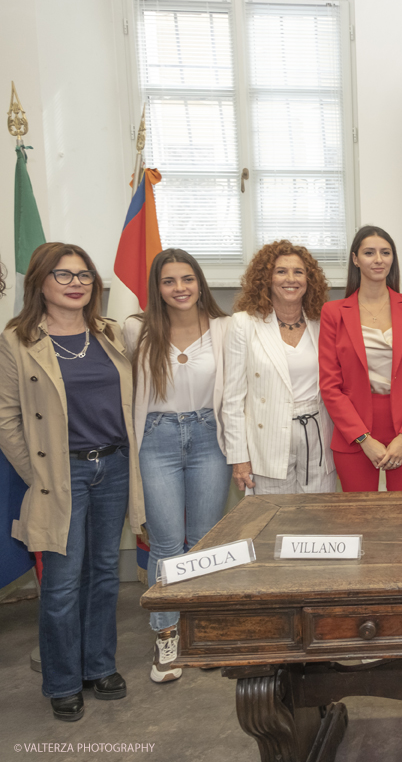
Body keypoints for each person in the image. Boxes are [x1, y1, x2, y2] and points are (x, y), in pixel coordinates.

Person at [0, 243, 143, 720]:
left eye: (84, 274)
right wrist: (37, 471)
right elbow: (6, 418)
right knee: (62, 581)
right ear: (39, 281)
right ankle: (62, 680)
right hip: (61, 472)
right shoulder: (17, 339)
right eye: (64, 275)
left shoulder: (108, 334)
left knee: (104, 573)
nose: (77, 282)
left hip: (115, 467)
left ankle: (99, 666)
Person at [123, 248, 231, 684]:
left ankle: (201, 630)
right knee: (167, 542)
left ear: (200, 282)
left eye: (187, 279)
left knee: (203, 540)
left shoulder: (224, 329)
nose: (180, 288)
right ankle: (166, 632)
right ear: (158, 288)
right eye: (169, 281)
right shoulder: (136, 330)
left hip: (209, 437)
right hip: (157, 439)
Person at [319, 226, 402, 491]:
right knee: (358, 518)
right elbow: (330, 385)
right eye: (369, 253)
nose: (378, 259)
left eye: (385, 252)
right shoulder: (333, 312)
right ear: (355, 259)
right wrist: (363, 439)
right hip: (354, 431)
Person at [224, 240, 335, 495]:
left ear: (309, 279)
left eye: (299, 272)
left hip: (318, 439)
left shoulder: (323, 322)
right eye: (281, 271)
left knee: (319, 522)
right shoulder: (243, 323)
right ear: (266, 279)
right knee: (273, 525)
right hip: (267, 444)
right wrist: (239, 458)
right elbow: (232, 399)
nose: (291, 279)